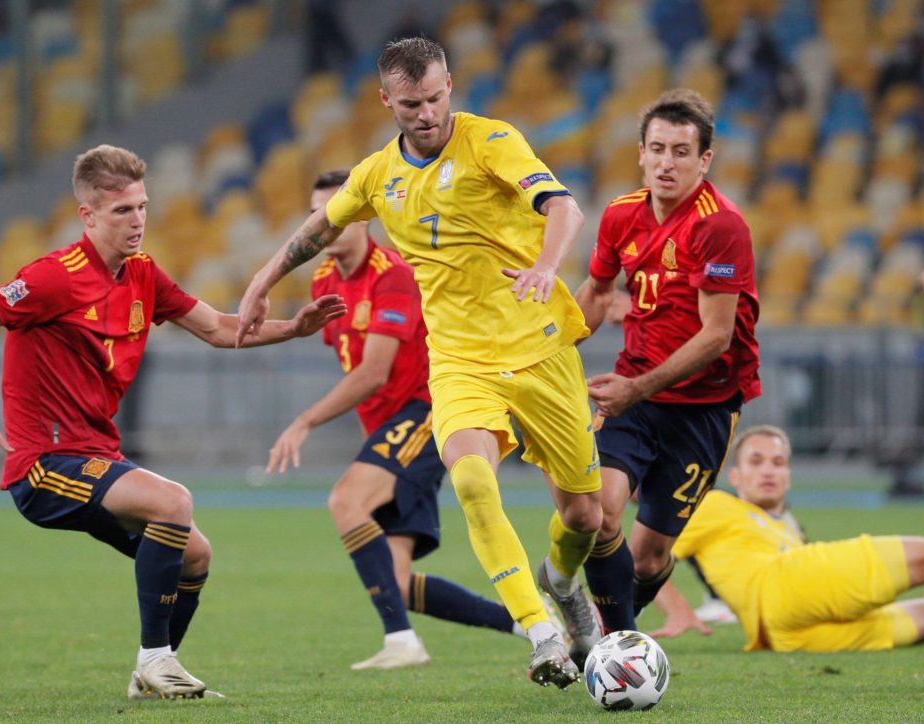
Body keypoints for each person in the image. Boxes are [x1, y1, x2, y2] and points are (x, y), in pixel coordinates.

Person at [237, 37, 604, 689]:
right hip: (461, 361)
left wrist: (547, 267)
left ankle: (565, 583)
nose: (427, 112)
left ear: (451, 87)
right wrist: (264, 279)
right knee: (469, 480)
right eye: (412, 103)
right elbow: (320, 228)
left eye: (436, 97)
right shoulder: (378, 175)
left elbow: (563, 206)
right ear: (387, 101)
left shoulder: (492, 141)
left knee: (584, 517)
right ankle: (541, 631)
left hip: (540, 350)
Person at [0, 144, 345, 700]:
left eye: (142, 207)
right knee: (173, 501)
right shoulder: (54, 277)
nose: (137, 222)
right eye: (121, 212)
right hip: (44, 464)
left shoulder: (144, 276)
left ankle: (152, 675)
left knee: (196, 555)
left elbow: (221, 329)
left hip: (97, 456)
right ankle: (155, 657)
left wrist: (291, 330)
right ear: (88, 216)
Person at [267, 169, 550, 670]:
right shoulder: (323, 279)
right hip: (384, 429)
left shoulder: (392, 273)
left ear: (363, 217)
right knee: (395, 582)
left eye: (336, 212)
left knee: (345, 499)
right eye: (317, 214)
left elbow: (374, 372)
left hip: (425, 412)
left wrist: (305, 421)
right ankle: (534, 623)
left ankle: (400, 640)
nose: (326, 223)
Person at [574, 88, 761, 638]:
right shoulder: (620, 215)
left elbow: (717, 336)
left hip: (703, 408)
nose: (666, 162)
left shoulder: (720, 226)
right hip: (633, 390)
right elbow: (597, 292)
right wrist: (545, 349)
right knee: (600, 514)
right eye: (657, 148)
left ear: (704, 160)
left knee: (650, 557)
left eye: (681, 151)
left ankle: (608, 638)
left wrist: (636, 388)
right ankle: (609, 645)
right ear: (640, 152)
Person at [650, 425, 924, 652]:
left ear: (788, 477)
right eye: (756, 461)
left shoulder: (788, 529)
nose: (767, 470)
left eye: (778, 463)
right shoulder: (716, 504)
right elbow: (642, 557)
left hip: (782, 636)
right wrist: (677, 609)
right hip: (780, 585)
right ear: (735, 475)